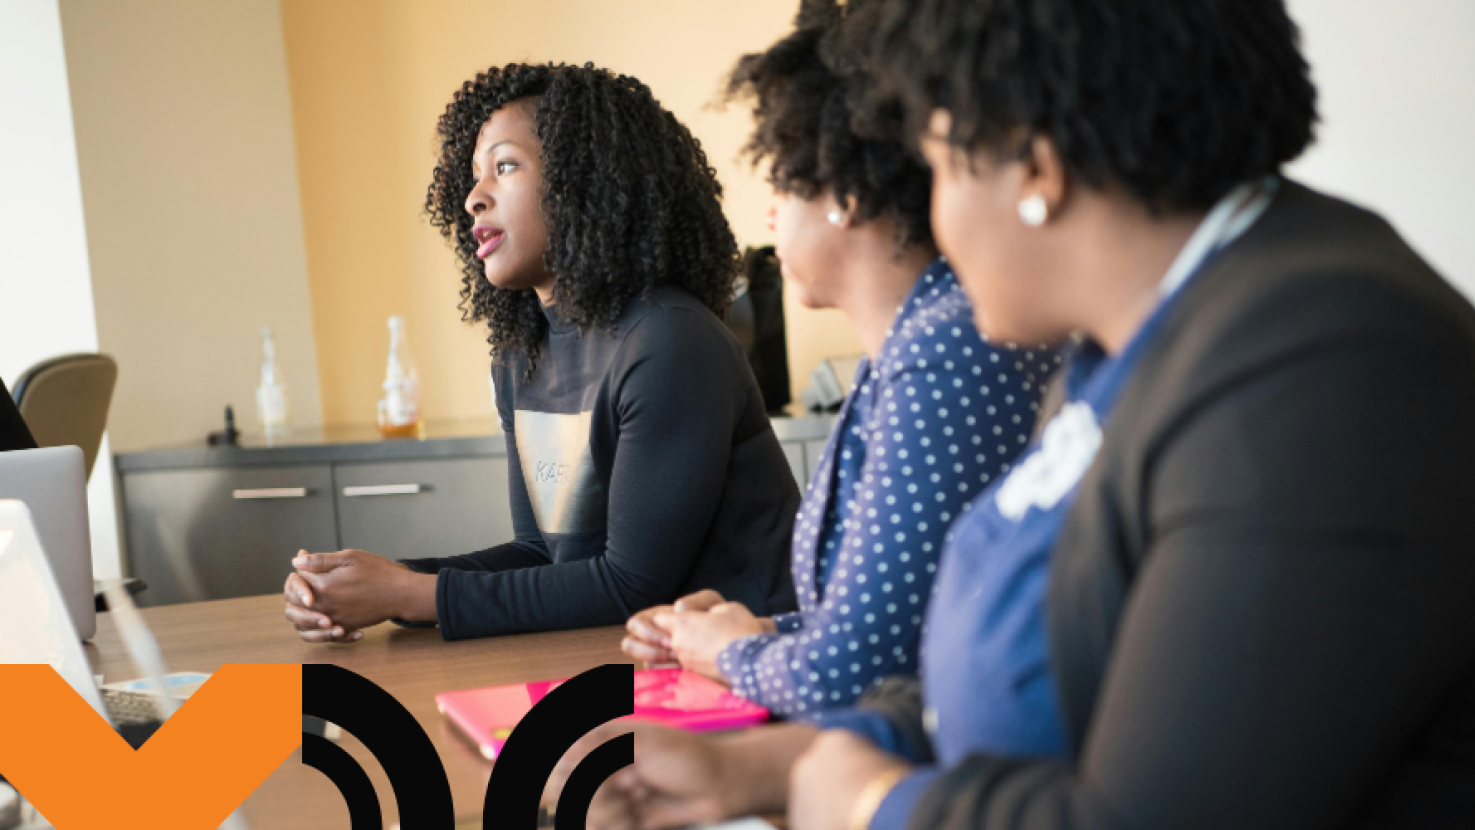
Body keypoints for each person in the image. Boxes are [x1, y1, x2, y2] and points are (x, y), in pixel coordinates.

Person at [548, 1, 1475, 828]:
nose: (934, 220)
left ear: (1035, 167)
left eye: (942, 169)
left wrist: (870, 800)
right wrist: (755, 768)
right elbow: (1038, 673)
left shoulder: (1321, 366)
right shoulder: (1127, 345)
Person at [620, 2, 1056, 716]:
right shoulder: (910, 346)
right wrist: (752, 630)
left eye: (783, 182)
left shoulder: (943, 349)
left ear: (846, 195)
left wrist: (729, 653)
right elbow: (892, 627)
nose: (768, 215)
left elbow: (850, 674)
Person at [283, 62, 801, 642]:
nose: (474, 199)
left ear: (586, 180)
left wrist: (412, 592)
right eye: (474, 177)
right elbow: (543, 554)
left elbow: (632, 584)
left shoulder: (669, 341)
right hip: (617, 656)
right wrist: (377, 586)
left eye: (504, 167)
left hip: (745, 677)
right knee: (256, 725)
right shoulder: (519, 354)